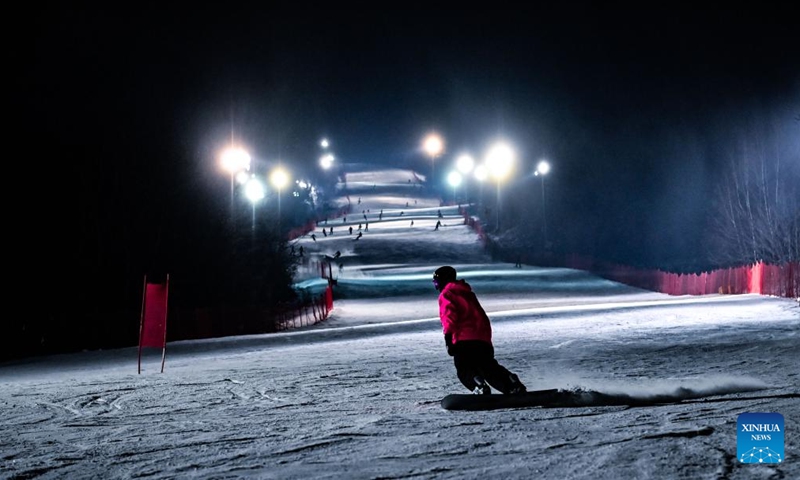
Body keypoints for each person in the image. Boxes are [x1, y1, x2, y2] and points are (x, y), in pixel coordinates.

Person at [433, 266, 527, 395]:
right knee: (487, 367)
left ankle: (478, 385)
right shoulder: (467, 293)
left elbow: (448, 317)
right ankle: (511, 383)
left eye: (437, 282)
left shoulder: (447, 294)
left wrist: (448, 339)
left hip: (464, 340)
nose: (437, 286)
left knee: (464, 368)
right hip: (482, 338)